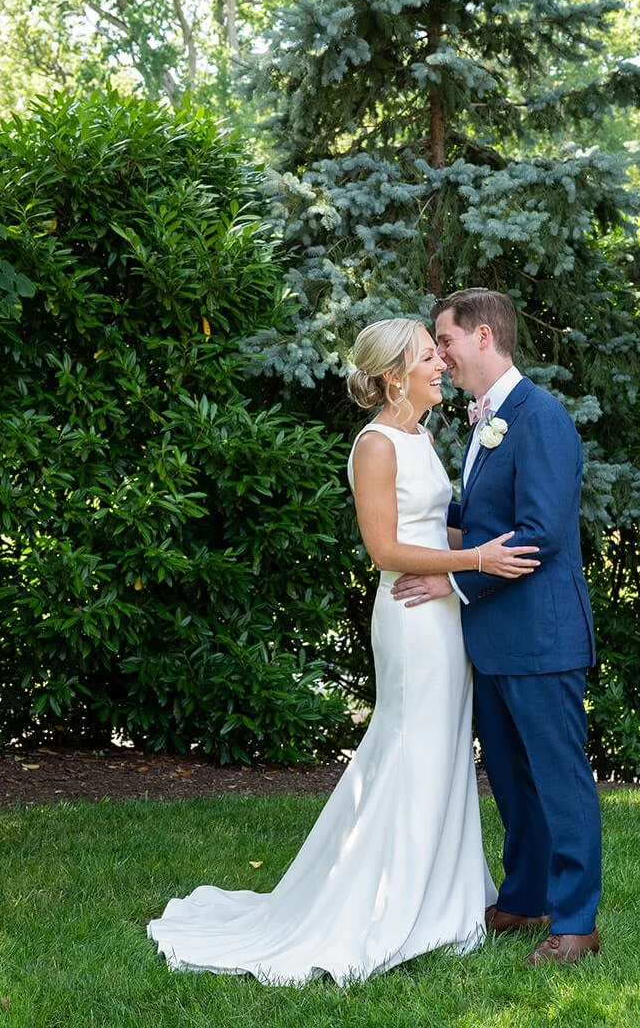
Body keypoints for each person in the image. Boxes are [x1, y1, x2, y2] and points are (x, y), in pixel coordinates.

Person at [148, 317, 539, 986]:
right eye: (427, 356)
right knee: (411, 747)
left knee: (443, 749)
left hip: (443, 612)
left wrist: (480, 541)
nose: (440, 363)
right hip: (411, 619)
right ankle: (392, 905)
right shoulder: (376, 444)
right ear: (394, 374)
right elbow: (385, 548)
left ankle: (442, 897)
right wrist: (476, 558)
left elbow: (430, 520)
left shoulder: (419, 435)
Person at [391, 287, 602, 965]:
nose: (441, 354)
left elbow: (539, 534)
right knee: (513, 780)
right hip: (497, 636)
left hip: (541, 635)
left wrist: (450, 578)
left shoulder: (538, 418)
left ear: (483, 336)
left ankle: (576, 923)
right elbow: (480, 522)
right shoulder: (487, 423)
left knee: (559, 780)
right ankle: (525, 895)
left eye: (445, 339)